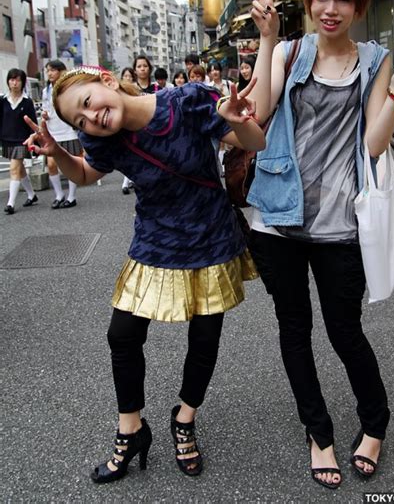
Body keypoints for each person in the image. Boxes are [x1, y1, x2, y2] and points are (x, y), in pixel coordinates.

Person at [240, 0, 394, 490]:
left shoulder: (375, 59)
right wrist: (268, 38)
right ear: (309, 2)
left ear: (358, 3)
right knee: (294, 330)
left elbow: (373, 143)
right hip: (278, 221)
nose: (330, 8)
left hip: (342, 225)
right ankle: (318, 435)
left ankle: (374, 423)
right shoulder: (289, 51)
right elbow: (260, 113)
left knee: (345, 331)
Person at [25, 66, 265, 484]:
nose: (91, 118)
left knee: (205, 336)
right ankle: (130, 428)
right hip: (155, 238)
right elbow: (84, 174)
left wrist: (238, 121)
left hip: (209, 235)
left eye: (87, 104)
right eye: (79, 121)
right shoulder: (106, 140)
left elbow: (255, 141)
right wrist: (57, 153)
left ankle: (185, 417)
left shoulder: (188, 100)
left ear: (107, 82)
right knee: (122, 333)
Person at [42, 60, 82, 208]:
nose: (50, 73)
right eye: (48, 71)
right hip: (53, 131)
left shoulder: (68, 87)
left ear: (60, 71)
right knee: (51, 165)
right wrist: (45, 115)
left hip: (68, 131)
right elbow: (46, 107)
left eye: (52, 70)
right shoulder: (46, 90)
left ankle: (72, 197)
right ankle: (59, 194)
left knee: (72, 164)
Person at [0, 68, 38, 214]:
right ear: (8, 81)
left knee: (14, 169)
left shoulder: (27, 102)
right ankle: (32, 195)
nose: (14, 83)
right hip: (7, 139)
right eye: (12, 79)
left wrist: (33, 139)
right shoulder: (3, 101)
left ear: (23, 83)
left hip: (22, 140)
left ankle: (10, 203)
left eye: (18, 80)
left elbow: (33, 123)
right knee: (19, 169)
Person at [119, 68, 136, 193]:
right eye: (125, 76)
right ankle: (126, 183)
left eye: (130, 76)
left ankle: (127, 183)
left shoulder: (135, 89)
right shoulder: (118, 90)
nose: (128, 78)